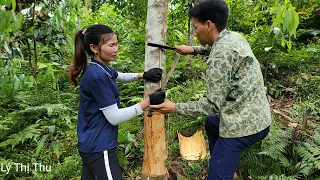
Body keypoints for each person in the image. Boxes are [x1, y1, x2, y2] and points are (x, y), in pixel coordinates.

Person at [150, 0, 271, 179]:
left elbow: (212, 105)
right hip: (260, 116)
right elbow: (216, 49)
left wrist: (175, 107)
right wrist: (192, 50)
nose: (194, 32)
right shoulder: (233, 37)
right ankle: (222, 162)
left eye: (195, 27)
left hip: (243, 126)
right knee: (212, 123)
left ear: (208, 25)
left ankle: (220, 170)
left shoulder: (219, 57)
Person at [69, 24, 165, 180]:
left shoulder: (101, 68)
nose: (116, 49)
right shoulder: (98, 76)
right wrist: (147, 102)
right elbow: (114, 118)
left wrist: (144, 75)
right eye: (111, 45)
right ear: (94, 48)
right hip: (100, 147)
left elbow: (119, 76)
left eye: (116, 43)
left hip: (90, 145)